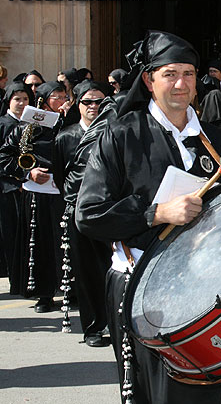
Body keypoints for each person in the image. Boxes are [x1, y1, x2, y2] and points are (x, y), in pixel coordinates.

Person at [75, 30, 221, 403]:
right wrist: (156, 213)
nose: (181, 83)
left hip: (210, 287)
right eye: (170, 74)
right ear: (149, 81)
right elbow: (89, 215)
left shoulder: (217, 139)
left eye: (189, 73)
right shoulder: (120, 135)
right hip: (144, 292)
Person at [52, 79, 112, 347]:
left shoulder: (114, 132)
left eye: (99, 101)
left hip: (111, 210)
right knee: (88, 271)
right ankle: (93, 327)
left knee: (116, 270)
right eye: (87, 101)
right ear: (77, 104)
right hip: (80, 212)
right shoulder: (66, 137)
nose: (93, 106)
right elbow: (59, 175)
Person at [0, 81, 67, 312]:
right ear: (45, 100)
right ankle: (44, 294)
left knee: (66, 244)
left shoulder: (69, 125)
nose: (61, 101)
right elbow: (5, 157)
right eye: (55, 97)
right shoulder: (24, 128)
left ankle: (72, 290)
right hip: (36, 194)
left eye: (63, 96)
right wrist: (28, 173)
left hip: (63, 194)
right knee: (40, 245)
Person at [0, 82, 34, 279]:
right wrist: (17, 179)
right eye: (17, 99)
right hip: (8, 189)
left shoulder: (33, 125)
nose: (22, 103)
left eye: (25, 99)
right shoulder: (3, 124)